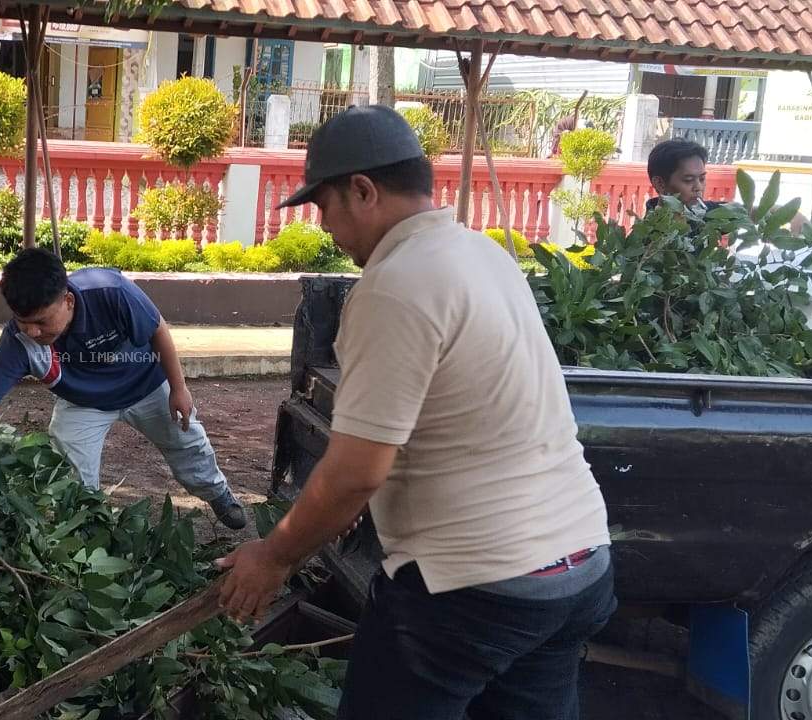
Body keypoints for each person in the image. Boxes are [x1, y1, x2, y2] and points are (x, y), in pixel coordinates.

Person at [215, 106, 616, 719]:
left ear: (363, 190)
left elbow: (356, 471)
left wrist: (271, 556)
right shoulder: (483, 254)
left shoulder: (395, 283)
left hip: (474, 589)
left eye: (324, 208)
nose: (327, 229)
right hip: (577, 569)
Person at [0, 247, 248, 530]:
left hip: (146, 384)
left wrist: (179, 388)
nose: (32, 331)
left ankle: (219, 494)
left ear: (68, 301)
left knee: (187, 442)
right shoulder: (18, 342)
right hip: (82, 403)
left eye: (43, 321)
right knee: (68, 475)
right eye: (23, 321)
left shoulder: (111, 291)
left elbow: (157, 327)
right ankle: (84, 530)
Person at [644, 138, 724, 228]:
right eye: (688, 180)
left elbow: (739, 212)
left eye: (702, 178)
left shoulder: (704, 212)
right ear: (660, 184)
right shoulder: (651, 236)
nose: (698, 187)